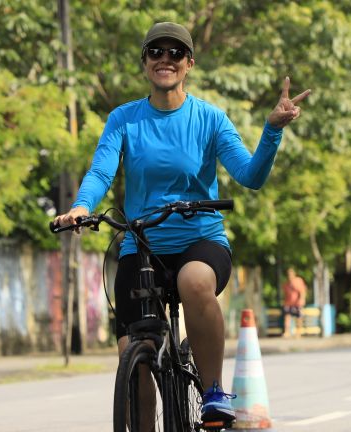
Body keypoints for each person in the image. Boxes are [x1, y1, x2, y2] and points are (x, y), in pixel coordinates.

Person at [54, 21, 310, 425]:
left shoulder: (209, 119)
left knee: (193, 282)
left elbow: (250, 176)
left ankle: (212, 392)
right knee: (133, 357)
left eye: (175, 53)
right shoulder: (124, 119)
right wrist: (82, 206)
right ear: (144, 63)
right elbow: (102, 171)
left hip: (200, 239)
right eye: (156, 51)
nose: (165, 59)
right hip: (142, 246)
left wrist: (272, 131)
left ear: (189, 63)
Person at [281, 268, 307, 337]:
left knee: (298, 318)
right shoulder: (286, 283)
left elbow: (302, 291)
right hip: (288, 303)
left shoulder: (298, 281)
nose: (289, 276)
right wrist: (284, 302)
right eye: (288, 275)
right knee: (287, 317)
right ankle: (287, 332)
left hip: (297, 303)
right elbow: (285, 294)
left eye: (290, 274)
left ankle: (298, 332)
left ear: (294, 274)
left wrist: (301, 300)